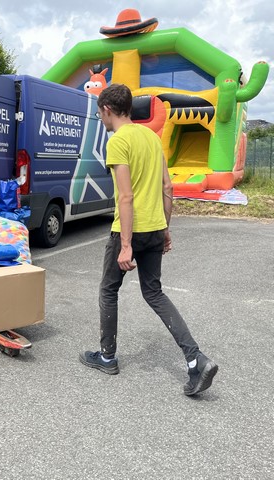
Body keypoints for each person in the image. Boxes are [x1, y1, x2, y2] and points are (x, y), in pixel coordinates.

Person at [79, 84, 218, 396]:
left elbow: (125, 197)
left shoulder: (118, 141)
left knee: (108, 291)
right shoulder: (153, 139)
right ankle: (196, 359)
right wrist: (165, 228)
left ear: (107, 110)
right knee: (154, 293)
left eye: (100, 113)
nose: (101, 118)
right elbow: (168, 188)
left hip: (130, 230)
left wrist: (125, 244)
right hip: (155, 226)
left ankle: (107, 356)